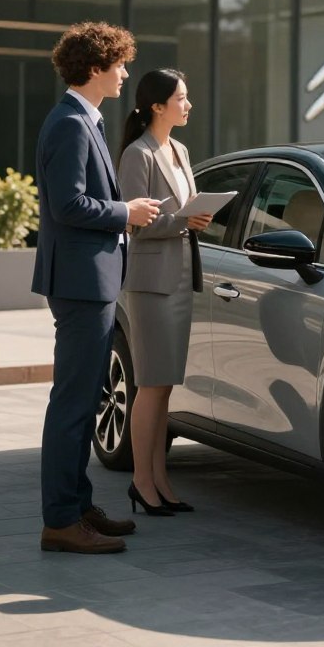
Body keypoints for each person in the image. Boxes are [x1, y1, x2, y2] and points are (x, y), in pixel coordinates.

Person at [32, 22, 161, 554]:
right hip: (82, 284)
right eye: (119, 65)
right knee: (73, 404)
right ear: (95, 68)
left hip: (92, 280)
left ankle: (77, 507)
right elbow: (68, 205)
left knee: (85, 400)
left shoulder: (85, 119)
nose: (125, 73)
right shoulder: (69, 124)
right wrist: (125, 213)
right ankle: (61, 521)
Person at [118, 69, 213, 517]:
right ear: (158, 105)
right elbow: (135, 220)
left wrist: (197, 217)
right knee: (150, 385)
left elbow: (181, 211)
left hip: (179, 279)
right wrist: (183, 221)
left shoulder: (180, 150)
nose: (188, 104)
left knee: (165, 387)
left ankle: (159, 479)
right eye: (182, 97)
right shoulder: (138, 155)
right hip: (151, 283)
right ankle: (141, 481)